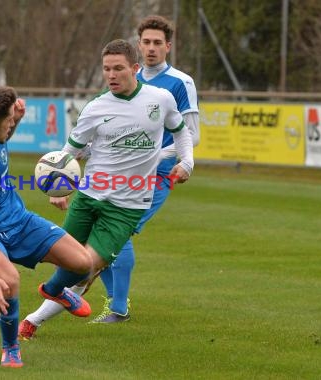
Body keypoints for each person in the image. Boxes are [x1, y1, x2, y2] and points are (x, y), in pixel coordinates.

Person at [18, 39, 194, 339]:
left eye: (118, 69)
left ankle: (40, 307)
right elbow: (68, 152)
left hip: (128, 207)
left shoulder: (160, 99)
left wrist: (186, 162)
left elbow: (181, 132)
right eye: (106, 69)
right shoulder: (95, 107)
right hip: (88, 198)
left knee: (85, 265)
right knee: (69, 262)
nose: (111, 75)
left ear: (135, 69)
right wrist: (57, 189)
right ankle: (35, 318)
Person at [0, 85, 92, 368]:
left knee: (83, 263)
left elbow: (5, 128)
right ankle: (10, 347)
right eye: (10, 120)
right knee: (8, 281)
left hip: (17, 219)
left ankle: (54, 290)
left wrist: (18, 116)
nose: (13, 124)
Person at [89, 15, 201, 323]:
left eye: (157, 43)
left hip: (156, 175)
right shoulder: (126, 78)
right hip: (119, 173)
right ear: (138, 46)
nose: (151, 49)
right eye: (146, 43)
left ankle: (117, 308)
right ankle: (113, 303)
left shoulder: (180, 83)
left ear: (168, 46)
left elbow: (192, 135)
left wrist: (155, 157)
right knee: (96, 230)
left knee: (116, 233)